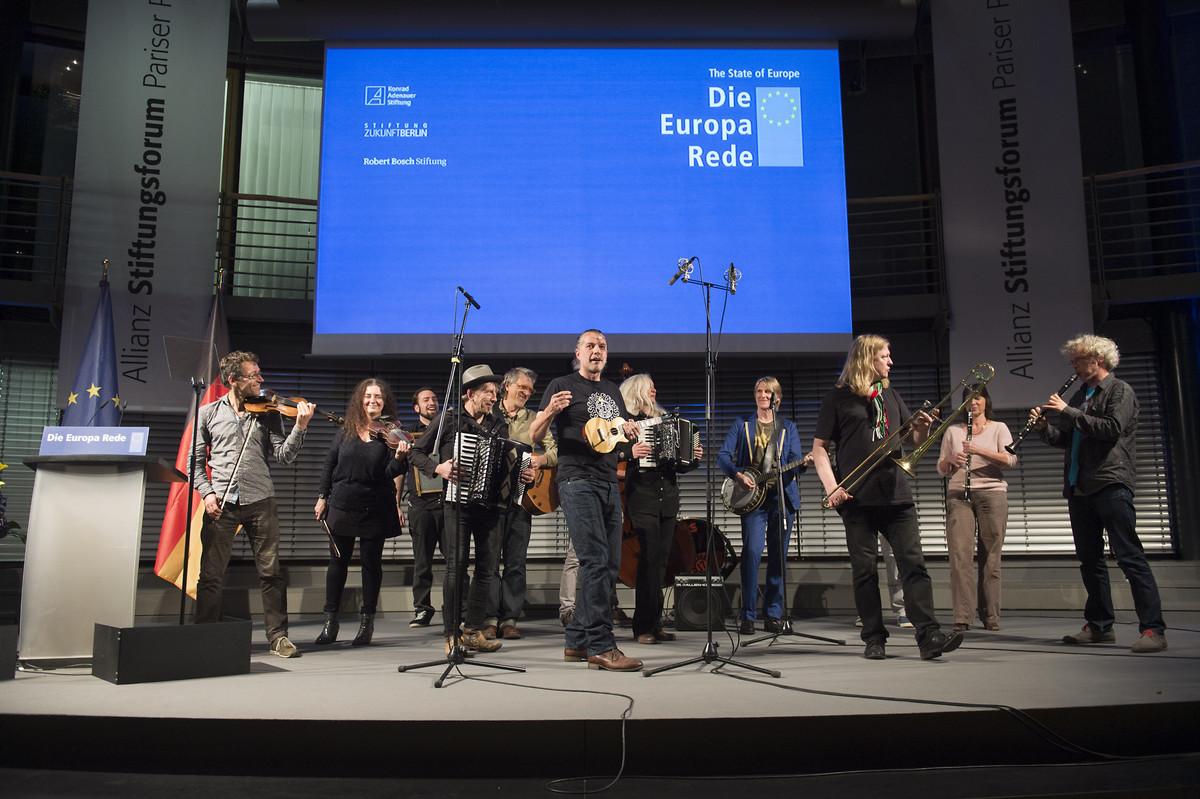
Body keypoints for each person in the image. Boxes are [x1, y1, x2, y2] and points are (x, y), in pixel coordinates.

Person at [811, 334, 963, 661]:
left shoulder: (890, 393)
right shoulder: (838, 397)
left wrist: (922, 427)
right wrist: (832, 487)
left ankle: (929, 635)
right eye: (885, 356)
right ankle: (874, 637)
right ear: (868, 358)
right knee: (865, 571)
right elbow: (819, 449)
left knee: (914, 565)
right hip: (856, 499)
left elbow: (912, 439)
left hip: (896, 495)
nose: (891, 362)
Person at [1030, 334, 1166, 653]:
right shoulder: (1082, 394)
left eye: (1078, 360)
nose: (1074, 367)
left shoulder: (1120, 390)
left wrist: (1067, 410)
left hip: (1110, 482)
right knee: (1090, 561)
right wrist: (1043, 428)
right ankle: (1100, 626)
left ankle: (1153, 630)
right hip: (1079, 487)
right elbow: (1067, 440)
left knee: (1130, 557)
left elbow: (1110, 429)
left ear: (1097, 360)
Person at [531, 329, 643, 671]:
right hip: (577, 480)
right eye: (590, 346)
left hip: (608, 481)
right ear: (578, 353)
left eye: (602, 346)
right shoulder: (562, 385)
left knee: (610, 564)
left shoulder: (612, 390)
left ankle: (577, 640)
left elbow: (617, 439)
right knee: (594, 561)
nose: (597, 351)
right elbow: (534, 434)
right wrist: (550, 410)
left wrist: (630, 432)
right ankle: (602, 646)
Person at [192, 350, 314, 658]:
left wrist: (300, 427)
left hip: (261, 500)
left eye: (259, 374)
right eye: (253, 375)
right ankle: (204, 636)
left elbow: (284, 456)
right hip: (221, 502)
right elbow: (194, 462)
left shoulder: (268, 412)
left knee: (271, 573)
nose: (260, 379)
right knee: (211, 575)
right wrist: (206, 493)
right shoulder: (208, 414)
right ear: (234, 380)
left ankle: (278, 637)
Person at [410, 364, 531, 655]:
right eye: (487, 392)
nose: (493, 397)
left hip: (492, 507)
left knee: (487, 569)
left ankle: (473, 630)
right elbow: (416, 452)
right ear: (469, 393)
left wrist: (524, 474)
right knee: (456, 567)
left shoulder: (498, 424)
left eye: (495, 392)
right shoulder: (449, 420)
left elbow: (511, 461)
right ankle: (451, 634)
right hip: (458, 505)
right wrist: (438, 468)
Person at [313, 378, 409, 646]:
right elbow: (330, 464)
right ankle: (330, 622)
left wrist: (399, 459)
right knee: (337, 562)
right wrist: (322, 496)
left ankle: (367, 623)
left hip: (375, 505)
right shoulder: (346, 429)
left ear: (385, 402)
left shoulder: (392, 434)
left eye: (378, 397)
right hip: (343, 502)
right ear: (360, 399)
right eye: (368, 396)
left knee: (371, 563)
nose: (372, 401)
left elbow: (390, 473)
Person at [717, 376, 807, 635]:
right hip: (752, 500)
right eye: (759, 391)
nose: (763, 395)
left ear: (777, 396)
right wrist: (737, 475)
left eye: (768, 391)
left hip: (781, 498)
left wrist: (801, 464)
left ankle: (774, 614)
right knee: (752, 553)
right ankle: (747, 615)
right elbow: (723, 456)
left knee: (778, 558)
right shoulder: (742, 425)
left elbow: (795, 459)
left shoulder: (788, 427)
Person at [619, 373, 701, 645]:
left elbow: (679, 463)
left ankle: (655, 624)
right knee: (649, 559)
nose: (654, 391)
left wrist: (693, 458)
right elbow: (614, 454)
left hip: (667, 498)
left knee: (662, 561)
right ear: (637, 391)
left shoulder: (665, 421)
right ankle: (642, 626)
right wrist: (632, 452)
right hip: (642, 497)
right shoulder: (627, 423)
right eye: (649, 387)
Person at [479, 367, 558, 640]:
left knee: (516, 561)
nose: (526, 393)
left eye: (530, 390)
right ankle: (490, 618)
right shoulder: (488, 413)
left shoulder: (535, 418)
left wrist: (539, 461)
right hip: (489, 499)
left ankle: (510, 618)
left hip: (521, 499)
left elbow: (555, 450)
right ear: (506, 386)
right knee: (489, 562)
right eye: (521, 387)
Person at [936, 383, 1015, 632]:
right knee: (960, 557)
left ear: (986, 401)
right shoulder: (953, 431)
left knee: (990, 557)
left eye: (978, 398)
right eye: (969, 398)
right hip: (959, 494)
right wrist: (950, 460)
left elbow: (1010, 459)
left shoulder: (999, 428)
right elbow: (941, 468)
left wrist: (979, 450)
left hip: (992, 493)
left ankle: (990, 615)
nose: (974, 402)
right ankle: (963, 616)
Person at [405, 387, 445, 628]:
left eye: (434, 398)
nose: (432, 402)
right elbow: (399, 472)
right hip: (420, 506)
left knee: (456, 561)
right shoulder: (408, 434)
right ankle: (422, 609)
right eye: (426, 399)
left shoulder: (448, 429)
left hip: (447, 504)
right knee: (422, 562)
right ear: (416, 407)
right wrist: (395, 501)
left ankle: (458, 609)